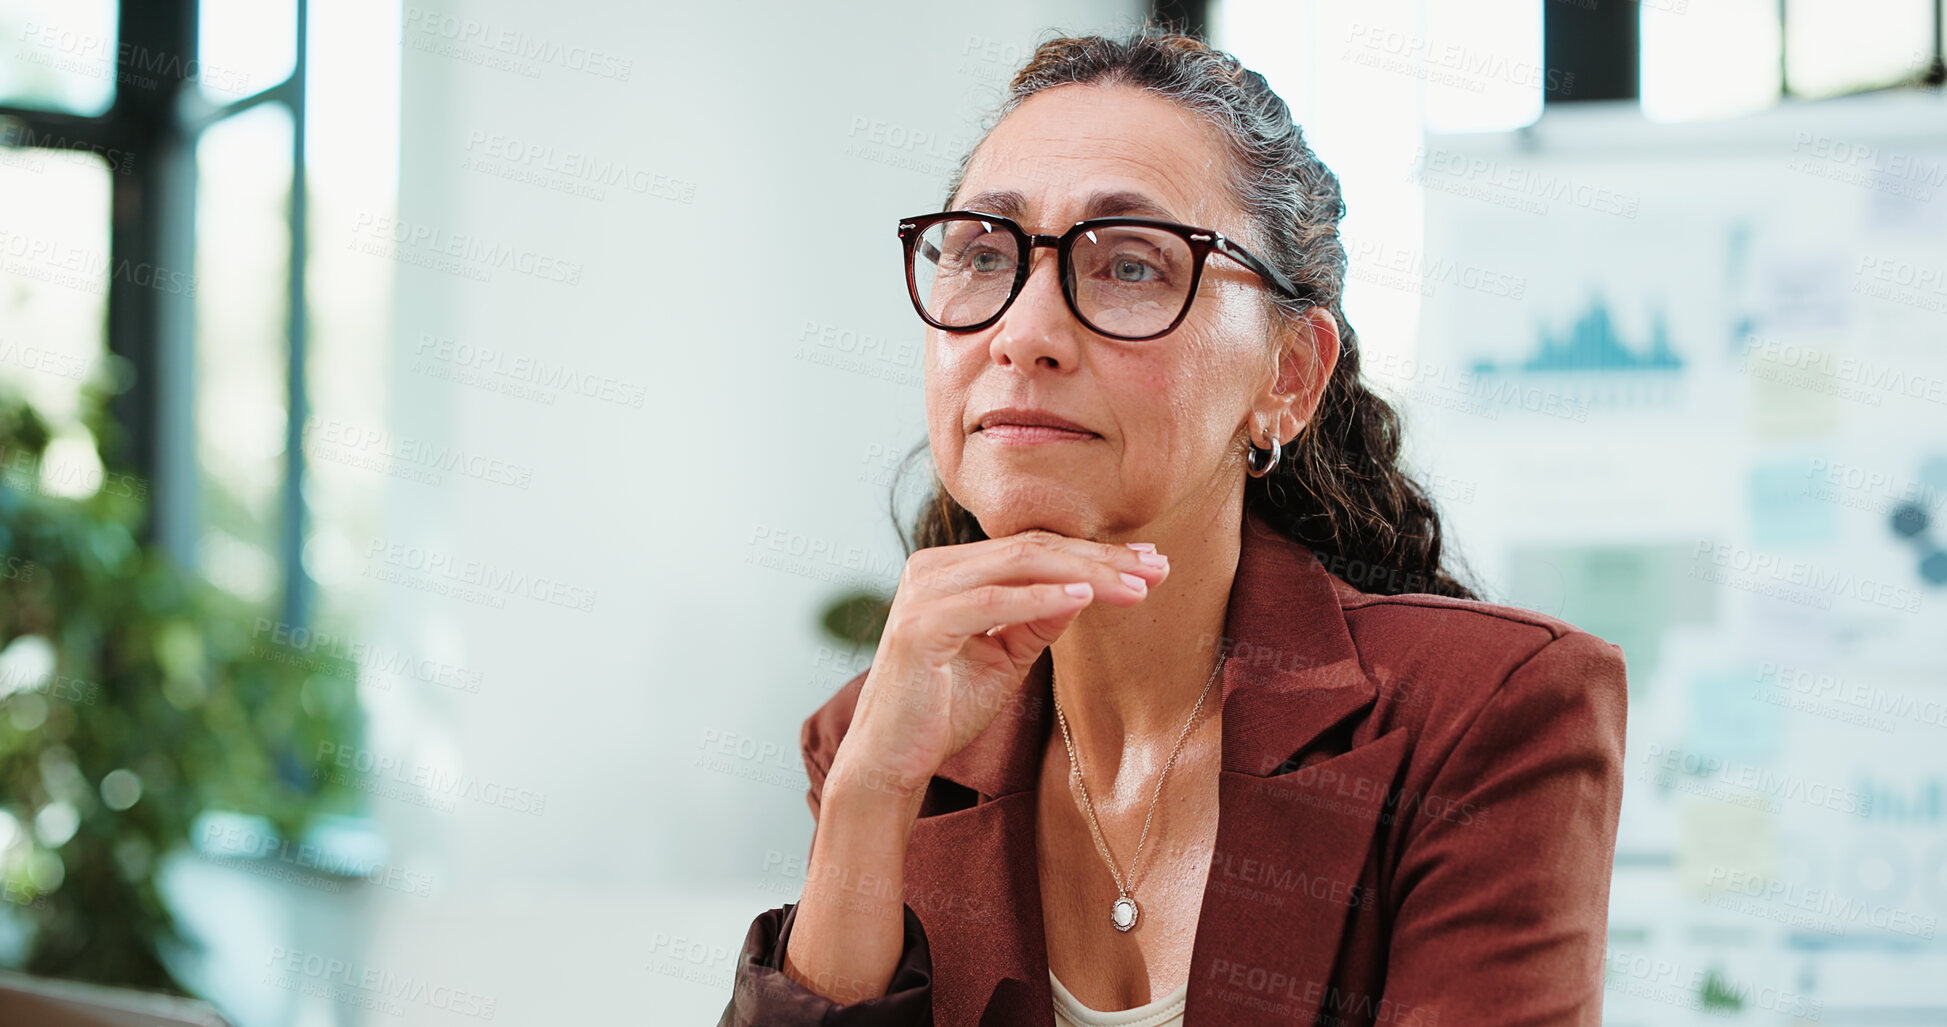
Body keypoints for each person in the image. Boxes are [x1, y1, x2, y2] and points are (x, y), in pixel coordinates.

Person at [719, 25, 1627, 1027]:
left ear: (1288, 377)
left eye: (1132, 267)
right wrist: (867, 800)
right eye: (983, 252)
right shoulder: (879, 731)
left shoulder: (1483, 713)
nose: (1023, 331)